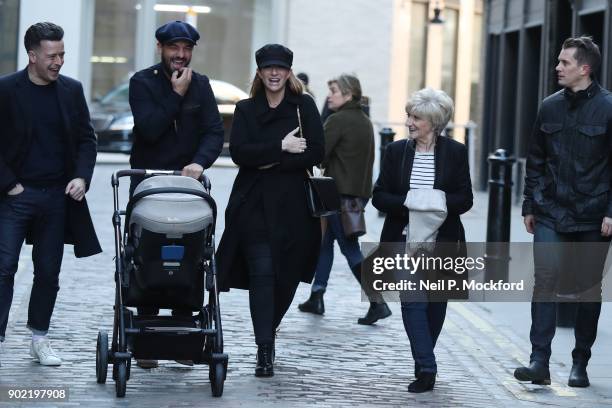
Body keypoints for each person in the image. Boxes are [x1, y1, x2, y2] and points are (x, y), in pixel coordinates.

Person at [216, 44, 324, 377]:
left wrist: (266, 160)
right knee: (262, 274)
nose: (274, 73)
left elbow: (316, 152)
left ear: (289, 72)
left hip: (295, 209)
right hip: (254, 205)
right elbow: (240, 154)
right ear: (260, 73)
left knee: (287, 278)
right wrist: (282, 147)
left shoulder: (303, 106)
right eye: (268, 68)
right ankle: (264, 347)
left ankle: (269, 329)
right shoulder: (246, 109)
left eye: (281, 68)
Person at [0, 22, 101, 367]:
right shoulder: (6, 90)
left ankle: (39, 339)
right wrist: (9, 184)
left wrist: (81, 177)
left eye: (62, 54)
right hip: (15, 196)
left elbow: (87, 140)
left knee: (48, 272)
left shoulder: (71, 91)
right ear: (32, 56)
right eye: (52, 56)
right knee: (3, 267)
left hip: (57, 197)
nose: (59, 61)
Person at [514, 36, 612, 388]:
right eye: (557, 61)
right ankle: (539, 361)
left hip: (593, 213)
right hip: (551, 211)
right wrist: (530, 204)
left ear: (584, 68)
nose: (557, 67)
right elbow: (535, 160)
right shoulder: (549, 106)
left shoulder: (609, 107)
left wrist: (610, 212)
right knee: (545, 282)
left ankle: (580, 364)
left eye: (564, 63)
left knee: (587, 289)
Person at [128, 20, 224, 368]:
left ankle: (187, 332)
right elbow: (150, 129)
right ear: (161, 48)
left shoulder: (201, 85)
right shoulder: (142, 82)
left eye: (186, 49)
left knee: (192, 253)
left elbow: (214, 132)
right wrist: (175, 95)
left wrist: (199, 163)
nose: (180, 55)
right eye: (174, 48)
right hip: (149, 185)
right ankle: (146, 332)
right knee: (147, 252)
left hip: (188, 187)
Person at [372, 88, 472, 392]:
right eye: (409, 116)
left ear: (433, 121)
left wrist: (435, 200)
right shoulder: (395, 152)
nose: (409, 123)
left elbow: (465, 199)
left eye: (416, 117)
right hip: (404, 240)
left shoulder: (455, 152)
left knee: (435, 306)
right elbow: (379, 197)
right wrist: (412, 202)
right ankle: (427, 367)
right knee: (413, 302)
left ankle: (422, 355)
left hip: (443, 241)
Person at [298, 74, 391, 324]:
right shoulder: (364, 120)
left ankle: (377, 301)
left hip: (337, 195)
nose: (330, 95)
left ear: (349, 95)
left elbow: (319, 155)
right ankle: (316, 296)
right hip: (355, 196)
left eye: (335, 91)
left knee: (349, 249)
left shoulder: (338, 120)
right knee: (324, 243)